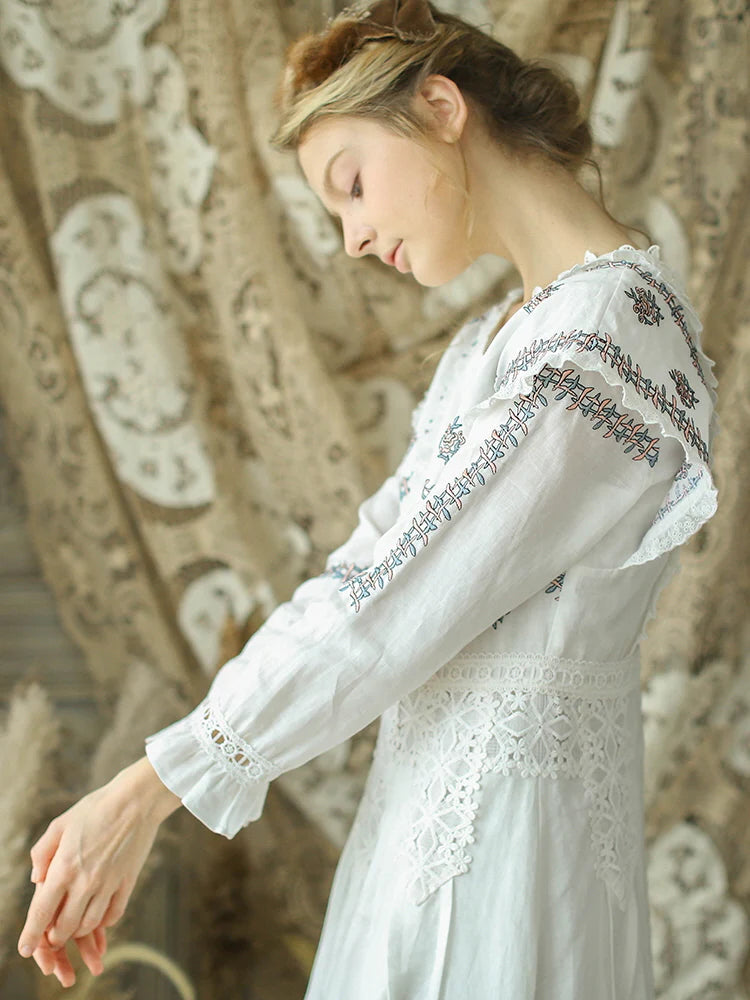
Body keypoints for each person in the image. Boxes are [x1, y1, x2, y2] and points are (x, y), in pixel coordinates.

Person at [17, 1, 719, 996]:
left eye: (351, 184)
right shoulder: (505, 341)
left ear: (440, 107)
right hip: (431, 834)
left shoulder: (599, 347)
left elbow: (388, 606)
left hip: (499, 875)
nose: (350, 237)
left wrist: (147, 790)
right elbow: (367, 568)